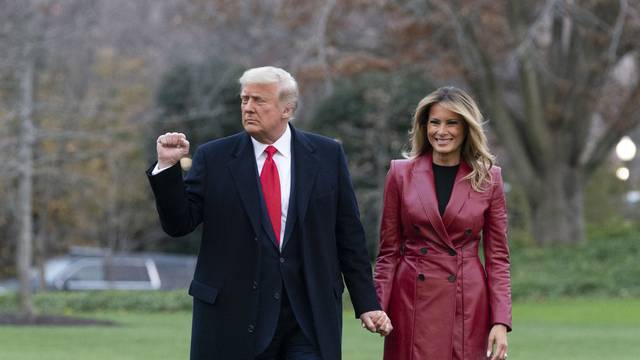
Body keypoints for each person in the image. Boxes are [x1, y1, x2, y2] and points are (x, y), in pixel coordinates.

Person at [147, 66, 392, 360]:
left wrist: (366, 302)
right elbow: (178, 224)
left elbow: (348, 235)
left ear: (287, 109)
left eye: (259, 100)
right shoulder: (214, 158)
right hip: (233, 316)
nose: (248, 108)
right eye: (244, 99)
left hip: (309, 316)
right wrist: (168, 168)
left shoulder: (327, 155)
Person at [374, 86, 512, 360]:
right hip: (411, 299)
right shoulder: (400, 174)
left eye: (452, 123)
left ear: (466, 128)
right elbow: (388, 252)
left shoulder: (488, 179)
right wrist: (378, 306)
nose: (441, 131)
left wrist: (500, 321)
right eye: (435, 122)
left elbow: (498, 258)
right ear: (424, 127)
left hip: (467, 302)